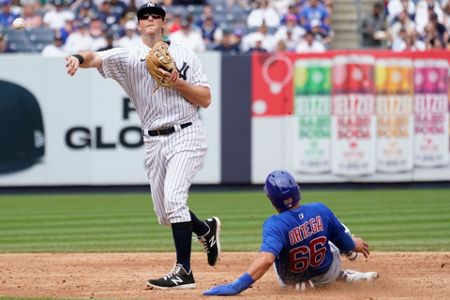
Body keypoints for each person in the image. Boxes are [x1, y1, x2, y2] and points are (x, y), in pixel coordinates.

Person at [64, 1, 221, 290]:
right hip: (153, 140)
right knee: (166, 214)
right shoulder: (127, 56)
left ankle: (183, 271)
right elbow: (94, 57)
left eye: (156, 16)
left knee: (175, 200)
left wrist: (179, 84)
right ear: (138, 25)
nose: (150, 19)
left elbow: (206, 99)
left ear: (164, 23)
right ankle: (205, 229)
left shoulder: (185, 54)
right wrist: (76, 56)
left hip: (186, 132)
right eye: (144, 16)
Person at [204, 170, 378, 296]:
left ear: (272, 201)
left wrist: (236, 287)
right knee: (335, 230)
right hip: (328, 273)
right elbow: (345, 241)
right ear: (298, 191)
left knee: (276, 247)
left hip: (292, 282)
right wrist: (353, 245)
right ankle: (345, 269)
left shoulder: (274, 224)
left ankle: (308, 281)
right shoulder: (320, 209)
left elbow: (266, 259)